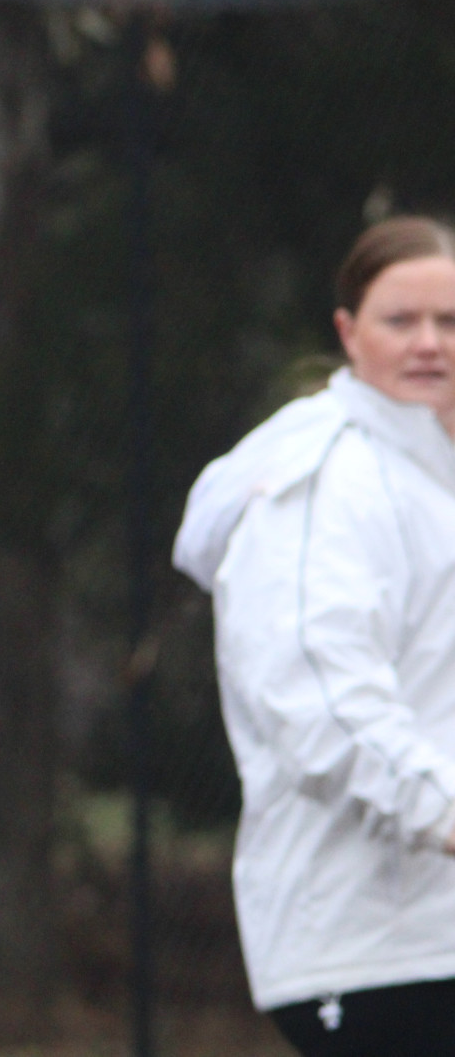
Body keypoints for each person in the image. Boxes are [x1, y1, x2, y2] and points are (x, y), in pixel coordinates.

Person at [174, 215, 455, 1056]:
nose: (429, 344)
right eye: (401, 320)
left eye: (450, 322)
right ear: (347, 331)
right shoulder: (328, 479)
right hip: (371, 945)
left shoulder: (428, 479)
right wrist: (443, 811)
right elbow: (323, 702)